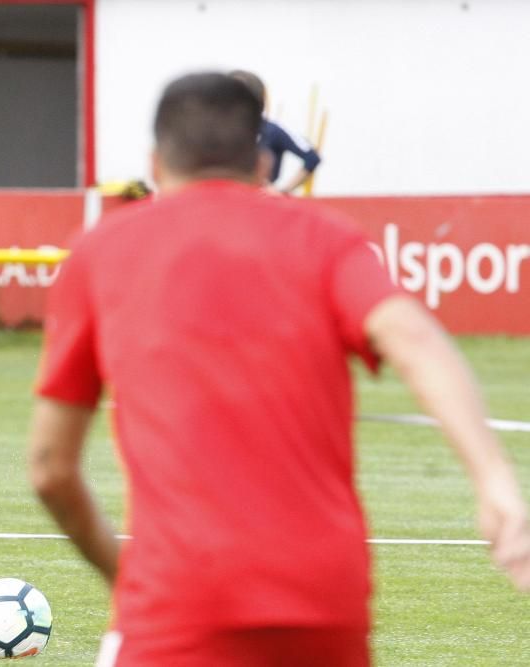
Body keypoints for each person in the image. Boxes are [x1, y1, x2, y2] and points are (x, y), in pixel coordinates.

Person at [28, 71, 530, 666]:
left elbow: (49, 470)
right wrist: (495, 482)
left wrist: (122, 576)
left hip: (179, 598)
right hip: (325, 600)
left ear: (154, 163)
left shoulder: (100, 254)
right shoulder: (327, 239)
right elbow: (415, 337)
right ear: (262, 163)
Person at [230, 69, 321, 194]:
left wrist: (283, 191)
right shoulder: (217, 133)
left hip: (260, 202)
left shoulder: (271, 130)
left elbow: (312, 158)